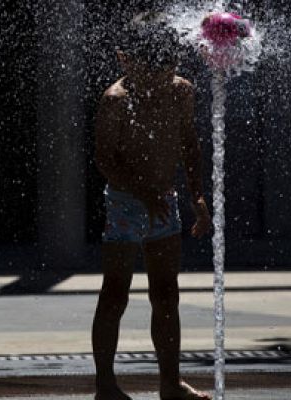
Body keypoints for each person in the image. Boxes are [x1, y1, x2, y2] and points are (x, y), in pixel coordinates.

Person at [91, 11, 213, 400]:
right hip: (127, 204)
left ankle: (169, 383)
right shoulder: (115, 100)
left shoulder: (181, 91)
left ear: (174, 65)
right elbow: (105, 159)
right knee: (115, 293)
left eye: (165, 72)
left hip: (164, 202)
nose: (156, 83)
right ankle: (106, 385)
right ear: (125, 60)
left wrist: (197, 196)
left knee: (166, 294)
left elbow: (190, 146)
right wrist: (141, 192)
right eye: (148, 74)